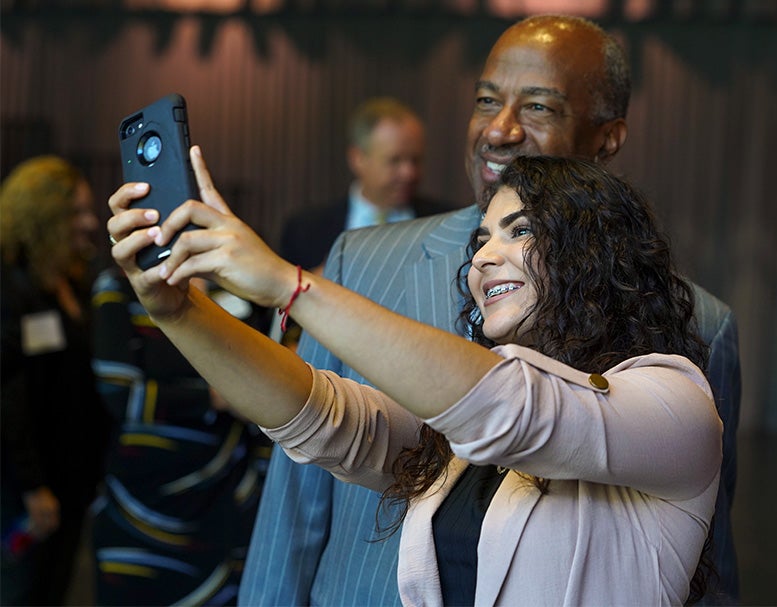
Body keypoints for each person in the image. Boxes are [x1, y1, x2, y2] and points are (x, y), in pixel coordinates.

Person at [242, 13, 743, 606]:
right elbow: (310, 456)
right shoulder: (362, 258)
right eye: (486, 100)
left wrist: (288, 285)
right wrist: (180, 308)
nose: (500, 130)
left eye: (538, 107)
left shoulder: (698, 331)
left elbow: (703, 561)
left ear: (607, 137)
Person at [107, 151, 722, 605]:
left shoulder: (675, 403)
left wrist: (288, 285)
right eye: (481, 238)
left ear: (597, 255)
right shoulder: (455, 438)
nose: (482, 256)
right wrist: (180, 311)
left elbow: (514, 410)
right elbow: (319, 412)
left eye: (523, 230)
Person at [90, 266, 273, 606]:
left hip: (228, 491)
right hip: (149, 498)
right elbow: (121, 392)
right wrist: (219, 397)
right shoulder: (119, 286)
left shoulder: (232, 285)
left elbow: (268, 368)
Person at [0, 155, 112, 605]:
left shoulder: (74, 283)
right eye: (77, 213)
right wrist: (32, 487)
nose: (91, 223)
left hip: (73, 480)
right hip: (27, 486)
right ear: (43, 218)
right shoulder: (11, 289)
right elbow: (8, 397)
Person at [276, 96, 454, 348]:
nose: (409, 173)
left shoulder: (445, 223)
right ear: (358, 158)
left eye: (415, 160)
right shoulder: (304, 229)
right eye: (395, 161)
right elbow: (277, 317)